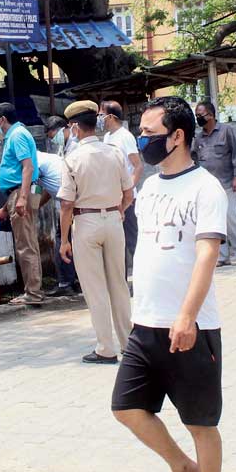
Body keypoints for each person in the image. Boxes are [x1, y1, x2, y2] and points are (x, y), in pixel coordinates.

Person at [112, 96, 229, 472]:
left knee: (201, 421)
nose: (143, 141)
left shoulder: (206, 188)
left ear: (178, 137)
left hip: (191, 326)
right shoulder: (150, 188)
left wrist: (187, 316)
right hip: (146, 324)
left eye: (151, 134)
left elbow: (206, 254)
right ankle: (183, 469)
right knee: (126, 407)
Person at [56, 101, 134, 365]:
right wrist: (119, 211)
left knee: (95, 288)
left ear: (75, 127)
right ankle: (128, 344)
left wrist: (64, 239)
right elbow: (128, 193)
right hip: (113, 220)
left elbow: (66, 204)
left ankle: (105, 348)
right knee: (119, 285)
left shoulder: (73, 158)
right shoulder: (114, 152)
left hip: (86, 222)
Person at [0, 102, 44, 305]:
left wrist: (21, 198)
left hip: (23, 192)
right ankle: (33, 290)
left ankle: (33, 293)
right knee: (28, 242)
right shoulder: (15, 135)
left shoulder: (17, 135)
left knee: (25, 245)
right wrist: (7, 206)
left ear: (2, 119)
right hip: (21, 192)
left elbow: (27, 168)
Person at [192, 101, 236, 268]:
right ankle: (221, 256)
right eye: (197, 115)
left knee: (233, 220)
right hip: (207, 188)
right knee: (214, 223)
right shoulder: (198, 138)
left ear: (211, 115)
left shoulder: (227, 131)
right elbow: (194, 159)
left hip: (227, 183)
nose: (198, 118)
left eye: (201, 115)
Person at [101, 101, 143, 271]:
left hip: (127, 199)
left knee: (133, 239)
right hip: (112, 198)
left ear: (110, 116)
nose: (99, 118)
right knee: (118, 243)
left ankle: (143, 275)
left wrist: (128, 192)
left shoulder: (125, 136)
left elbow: (137, 166)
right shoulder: (107, 137)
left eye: (101, 114)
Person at [35, 149, 79, 297]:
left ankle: (65, 283)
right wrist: (36, 207)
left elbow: (27, 185)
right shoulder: (48, 159)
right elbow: (48, 189)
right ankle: (73, 280)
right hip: (76, 202)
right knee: (72, 242)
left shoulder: (36, 162)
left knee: (62, 240)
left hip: (70, 204)